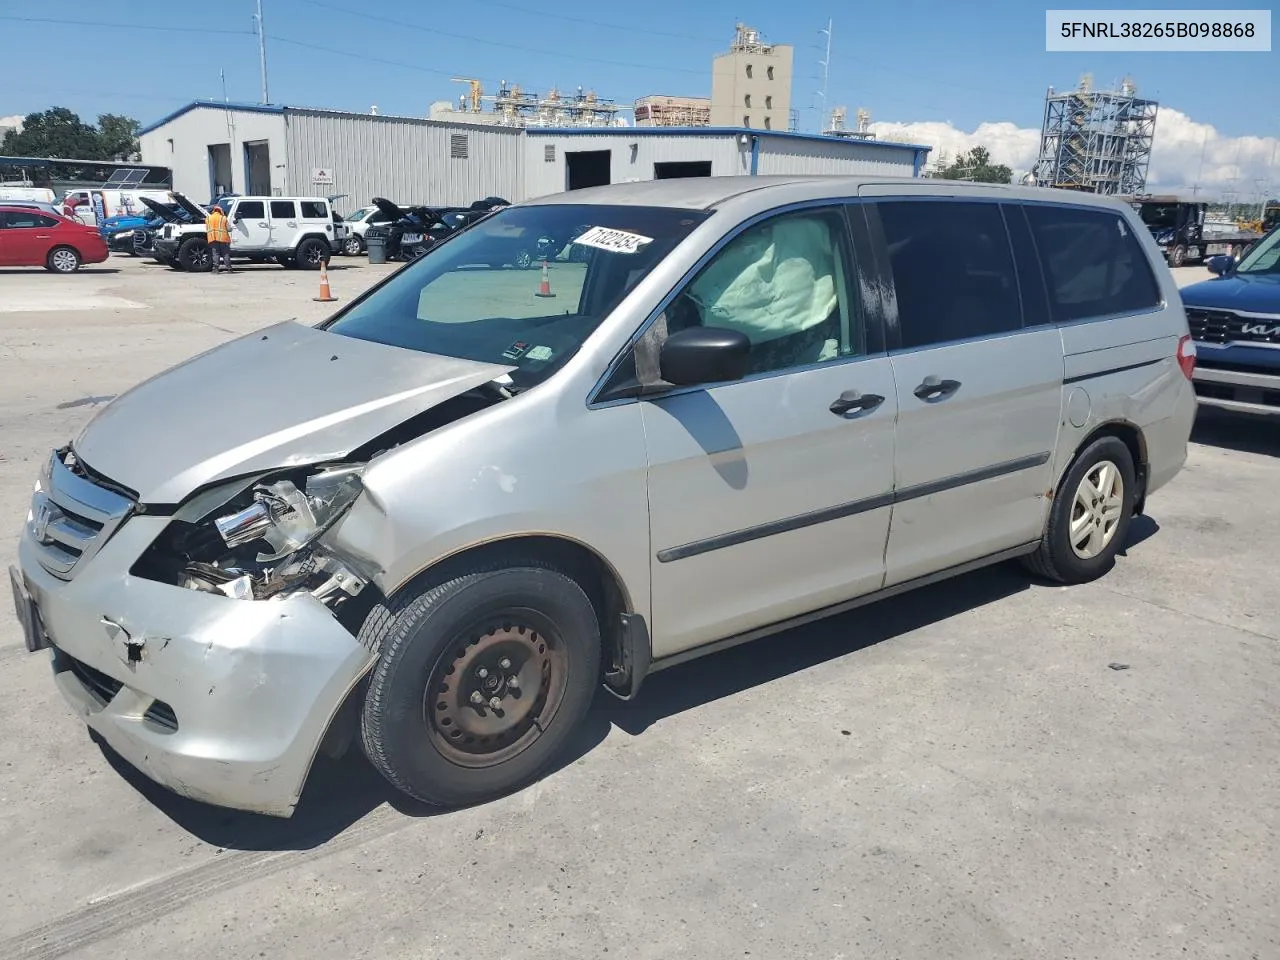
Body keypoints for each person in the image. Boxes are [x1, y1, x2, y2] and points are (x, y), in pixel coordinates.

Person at [206, 203, 231, 273]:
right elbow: (229, 229)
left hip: (212, 238)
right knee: (225, 253)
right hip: (223, 238)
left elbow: (207, 228)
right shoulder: (223, 218)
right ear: (221, 211)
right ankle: (229, 269)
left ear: (213, 211)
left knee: (216, 254)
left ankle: (216, 269)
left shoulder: (208, 218)